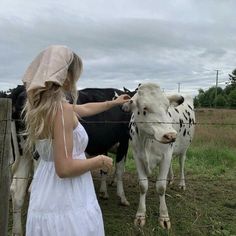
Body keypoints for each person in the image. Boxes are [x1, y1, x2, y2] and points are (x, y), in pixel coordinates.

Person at [22, 45, 130, 236]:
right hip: (67, 193)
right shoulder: (61, 112)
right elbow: (64, 169)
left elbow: (85, 109)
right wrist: (98, 161)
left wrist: (113, 102)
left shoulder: (43, 107)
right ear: (66, 76)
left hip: (46, 187)